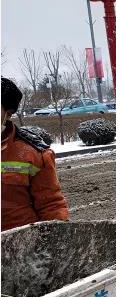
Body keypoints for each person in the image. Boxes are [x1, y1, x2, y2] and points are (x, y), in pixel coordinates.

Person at [1, 77, 69, 231]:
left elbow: (51, 205)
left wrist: (56, 237)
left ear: (8, 113)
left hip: (20, 241)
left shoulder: (33, 154)